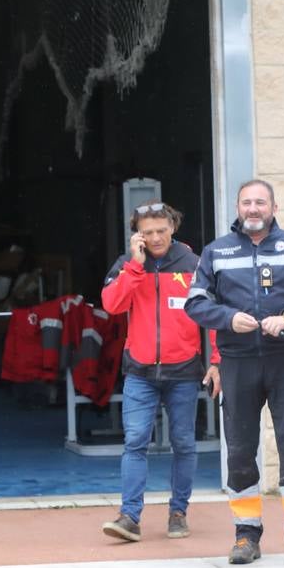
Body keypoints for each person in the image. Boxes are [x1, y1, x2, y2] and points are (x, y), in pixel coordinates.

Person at [185, 180, 284, 566]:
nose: (253, 209)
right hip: (238, 362)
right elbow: (195, 304)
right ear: (238, 207)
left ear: (273, 207)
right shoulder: (217, 251)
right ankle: (246, 534)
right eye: (246, 202)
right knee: (241, 449)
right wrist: (228, 319)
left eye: (260, 202)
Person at [100, 202, 221, 542]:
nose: (155, 238)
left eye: (161, 231)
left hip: (183, 371)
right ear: (137, 234)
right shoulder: (127, 266)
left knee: (183, 443)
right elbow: (112, 306)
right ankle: (129, 517)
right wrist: (135, 268)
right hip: (139, 371)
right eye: (147, 232)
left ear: (173, 228)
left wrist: (217, 362)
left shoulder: (195, 265)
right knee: (135, 442)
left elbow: (212, 317)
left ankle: (178, 512)